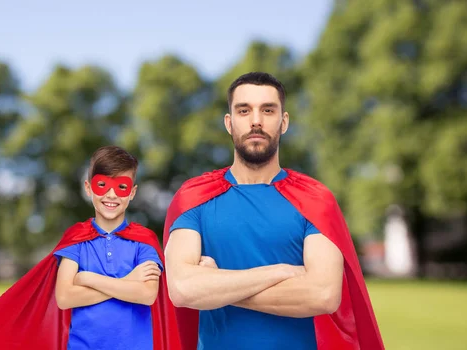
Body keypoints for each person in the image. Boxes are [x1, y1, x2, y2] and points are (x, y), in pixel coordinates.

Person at [162, 72, 384, 350]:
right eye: (244, 110)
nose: (256, 120)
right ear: (229, 123)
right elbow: (182, 289)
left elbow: (323, 295)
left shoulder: (316, 200)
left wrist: (217, 287)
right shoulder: (192, 198)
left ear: (284, 121)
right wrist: (279, 272)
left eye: (268, 110)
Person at [0, 146, 181, 350]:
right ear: (89, 188)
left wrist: (89, 278)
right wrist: (127, 282)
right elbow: (65, 296)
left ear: (132, 192)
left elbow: (147, 294)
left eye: (121, 186)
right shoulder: (77, 239)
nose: (111, 194)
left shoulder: (144, 240)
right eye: (102, 185)